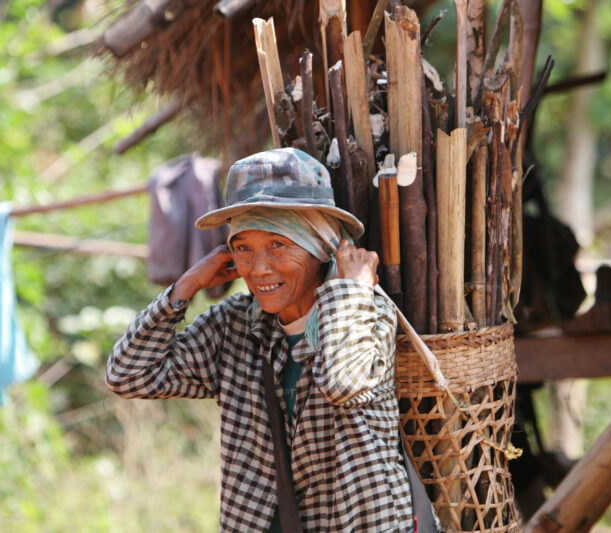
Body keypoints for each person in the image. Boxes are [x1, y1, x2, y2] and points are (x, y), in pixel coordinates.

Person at [107, 148, 416, 532]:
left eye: (278, 244)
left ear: (319, 245)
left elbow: (343, 384)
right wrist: (187, 286)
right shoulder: (234, 326)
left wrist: (350, 291)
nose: (259, 268)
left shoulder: (366, 313)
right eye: (243, 249)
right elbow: (128, 375)